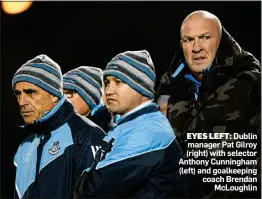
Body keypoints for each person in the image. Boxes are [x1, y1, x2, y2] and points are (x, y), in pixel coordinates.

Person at [157, 10, 261, 198]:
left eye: (205, 37)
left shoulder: (251, 83)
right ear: (182, 45)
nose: (197, 47)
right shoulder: (168, 88)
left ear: (220, 40)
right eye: (189, 40)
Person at [73, 50, 188, 198]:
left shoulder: (147, 131)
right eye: (107, 83)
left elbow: (94, 191)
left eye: (118, 82)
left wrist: (84, 176)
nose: (108, 90)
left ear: (141, 86)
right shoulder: (130, 125)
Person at [12, 54, 105, 199]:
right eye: (18, 94)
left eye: (31, 92)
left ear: (54, 94)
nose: (22, 101)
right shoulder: (24, 144)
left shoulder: (87, 136)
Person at [63, 66, 112, 132]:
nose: (63, 99)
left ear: (90, 98)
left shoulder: (112, 135)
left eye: (69, 93)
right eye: (61, 94)